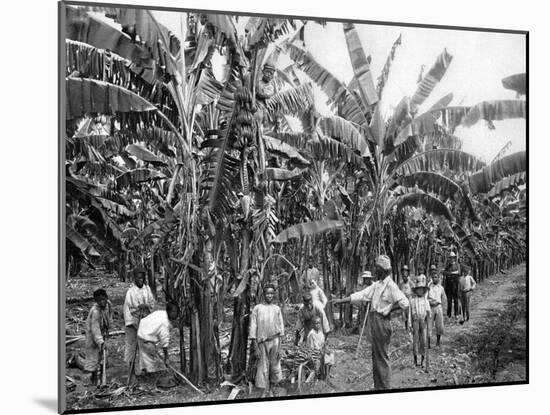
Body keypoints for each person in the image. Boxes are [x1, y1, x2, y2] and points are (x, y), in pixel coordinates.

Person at [332, 255, 410, 390]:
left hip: (382, 322)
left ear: (383, 270)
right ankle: (378, 386)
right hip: (374, 321)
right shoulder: (377, 285)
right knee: (376, 357)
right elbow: (361, 295)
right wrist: (341, 301)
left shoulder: (391, 286)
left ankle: (385, 387)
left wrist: (389, 309)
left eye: (377, 268)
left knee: (382, 357)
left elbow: (405, 303)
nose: (375, 270)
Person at [249, 284, 285, 397]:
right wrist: (255, 347)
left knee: (275, 366)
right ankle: (264, 391)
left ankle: (273, 389)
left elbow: (281, 330)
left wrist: (280, 347)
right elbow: (253, 328)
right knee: (263, 367)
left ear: (274, 295)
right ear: (263, 294)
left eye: (271, 293)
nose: (269, 295)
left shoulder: (277, 309)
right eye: (267, 293)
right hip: (262, 342)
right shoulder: (257, 308)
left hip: (275, 341)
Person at [136, 302, 179, 385]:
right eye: (174, 312)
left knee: (146, 358)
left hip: (142, 331)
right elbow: (164, 342)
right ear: (170, 312)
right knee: (153, 361)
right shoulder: (165, 323)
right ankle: (152, 383)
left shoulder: (161, 312)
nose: (176, 314)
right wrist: (166, 357)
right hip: (145, 336)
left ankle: (145, 377)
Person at [123, 267, 156, 370]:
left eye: (142, 278)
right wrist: (138, 310)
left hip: (144, 322)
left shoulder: (147, 289)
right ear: (135, 279)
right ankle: (130, 368)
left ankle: (145, 369)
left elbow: (152, 303)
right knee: (131, 346)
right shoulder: (131, 292)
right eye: (139, 278)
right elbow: (129, 308)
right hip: (133, 322)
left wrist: (147, 306)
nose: (141, 280)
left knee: (145, 345)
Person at [84, 288, 111, 386]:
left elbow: (108, 317)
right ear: (96, 301)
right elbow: (95, 329)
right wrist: (100, 341)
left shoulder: (108, 305)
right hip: (93, 337)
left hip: (103, 334)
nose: (102, 302)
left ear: (106, 298)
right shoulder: (95, 312)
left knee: (103, 357)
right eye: (99, 300)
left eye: (104, 299)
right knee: (94, 359)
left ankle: (102, 379)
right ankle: (94, 381)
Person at [409, 275, 431, 368]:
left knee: (423, 341)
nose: (420, 291)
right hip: (415, 321)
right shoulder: (413, 300)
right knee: (415, 341)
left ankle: (422, 361)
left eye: (422, 289)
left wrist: (428, 324)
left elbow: (429, 314)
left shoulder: (426, 301)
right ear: (416, 290)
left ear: (424, 290)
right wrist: (410, 324)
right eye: (418, 289)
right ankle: (415, 361)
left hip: (423, 321)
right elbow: (410, 313)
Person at [428, 270, 447, 347]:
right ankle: (428, 343)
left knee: (439, 325)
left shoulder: (441, 288)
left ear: (438, 278)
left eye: (436, 277)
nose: (434, 279)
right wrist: (430, 303)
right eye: (433, 277)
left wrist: (444, 310)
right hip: (431, 307)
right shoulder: (429, 287)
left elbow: (444, 298)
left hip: (438, 307)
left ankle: (438, 342)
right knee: (429, 325)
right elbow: (426, 298)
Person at [443, 251, 460, 319]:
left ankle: (456, 314)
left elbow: (458, 272)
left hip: (455, 284)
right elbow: (444, 272)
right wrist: (451, 273)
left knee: (455, 299)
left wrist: (450, 273)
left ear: (454, 258)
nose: (451, 259)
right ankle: (449, 314)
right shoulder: (448, 266)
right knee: (449, 300)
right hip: (448, 284)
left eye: (453, 258)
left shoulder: (457, 265)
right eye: (450, 258)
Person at [399, 265, 413, 330]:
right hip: (403, 300)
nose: (404, 274)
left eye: (406, 272)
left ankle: (410, 328)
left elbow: (414, 290)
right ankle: (406, 328)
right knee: (404, 314)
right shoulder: (401, 283)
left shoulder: (410, 282)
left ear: (407, 273)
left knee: (409, 314)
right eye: (403, 272)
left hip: (409, 300)